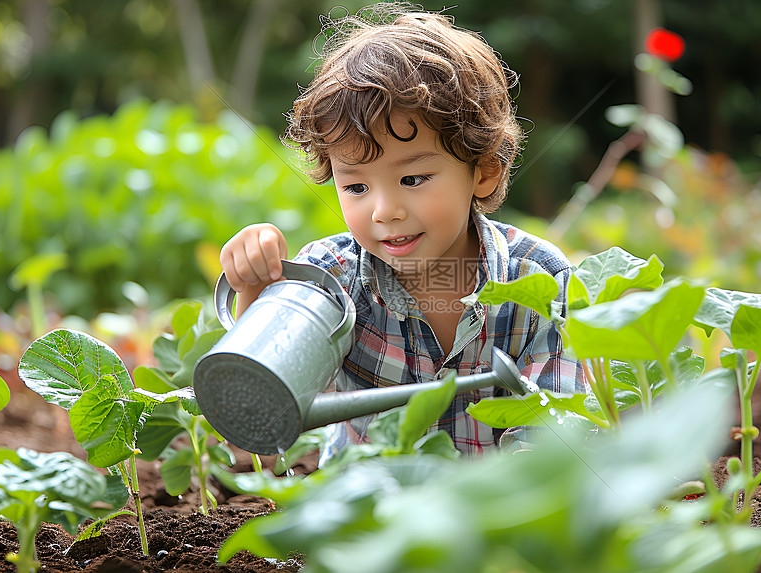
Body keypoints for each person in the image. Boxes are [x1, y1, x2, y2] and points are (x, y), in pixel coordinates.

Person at [219, 2, 586, 461]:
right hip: (372, 522)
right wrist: (256, 294)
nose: (384, 211)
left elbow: (555, 439)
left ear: (485, 172)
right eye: (355, 185)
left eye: (412, 179)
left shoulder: (538, 279)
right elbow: (255, 420)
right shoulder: (328, 281)